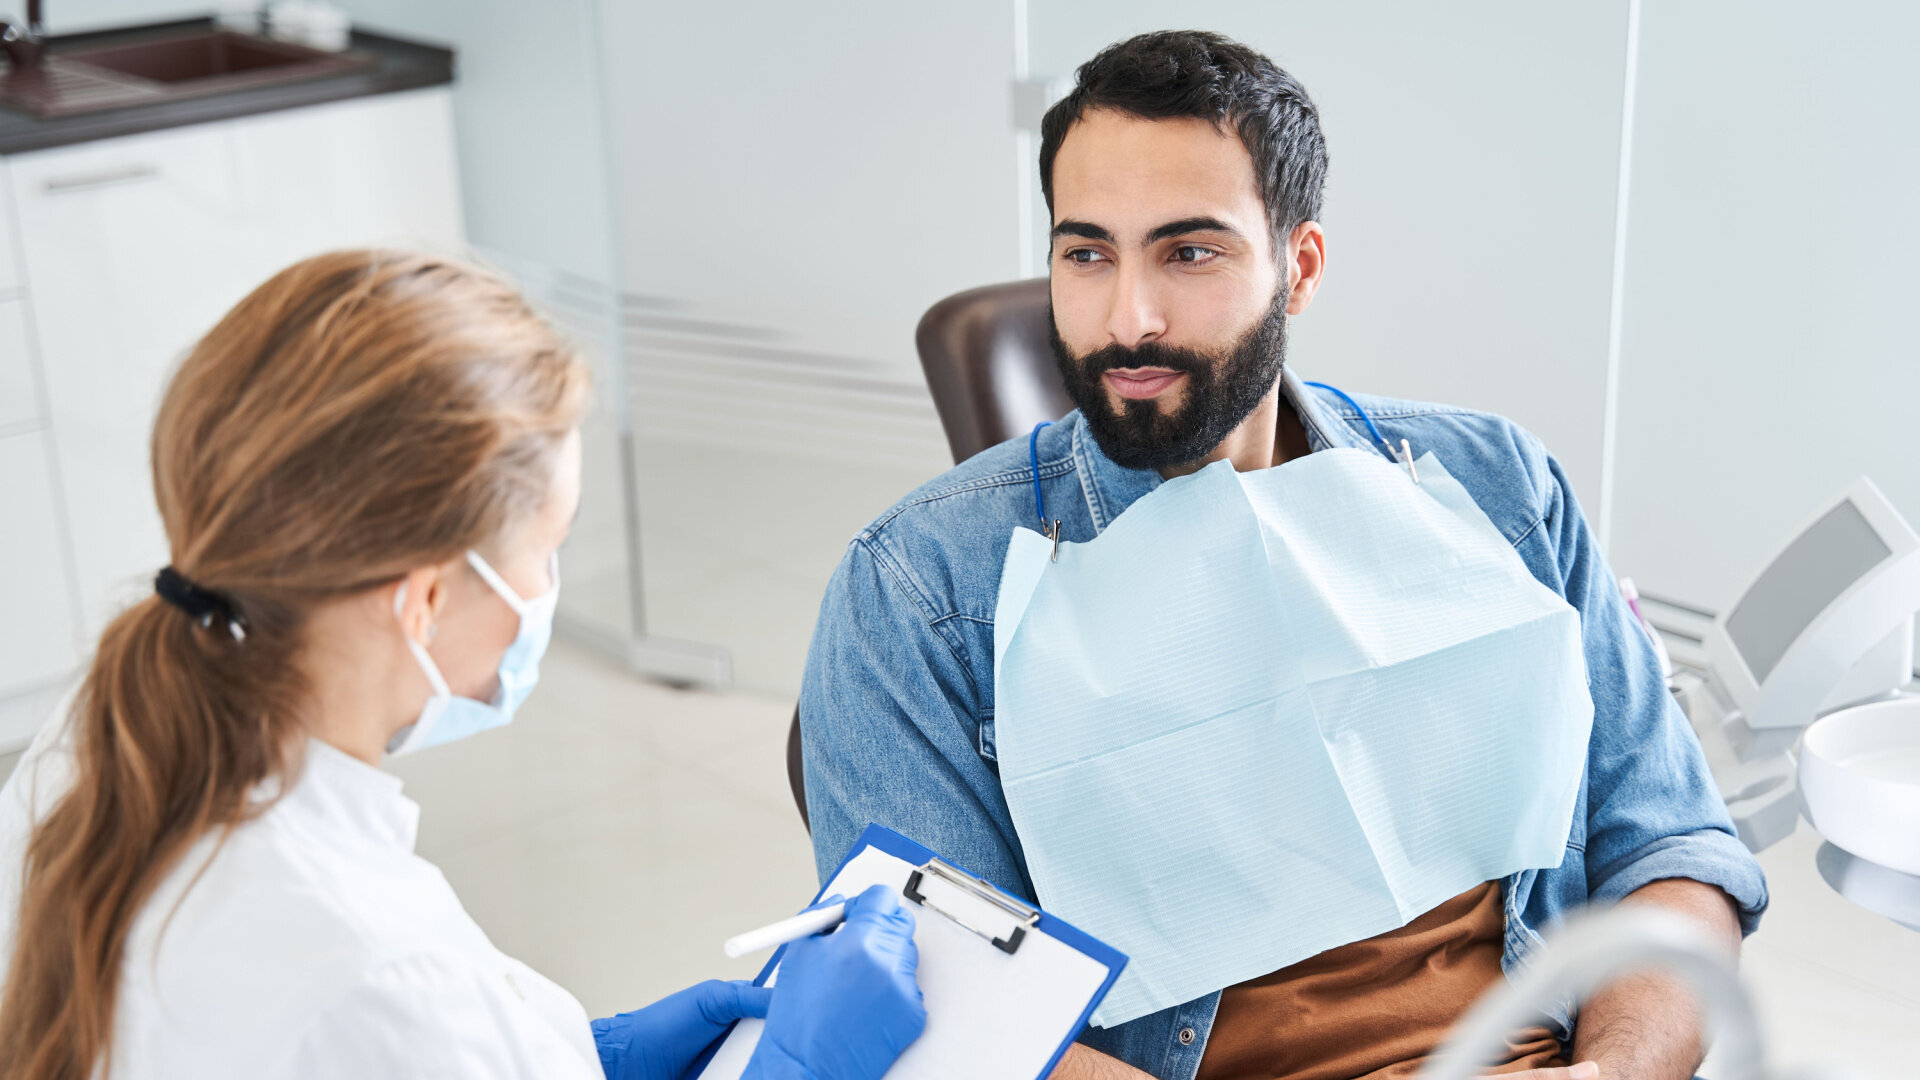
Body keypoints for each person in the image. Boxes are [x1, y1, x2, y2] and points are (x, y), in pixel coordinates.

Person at [798, 30, 1768, 1080]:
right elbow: (948, 1007)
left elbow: (1670, 850)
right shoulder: (918, 587)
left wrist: (1614, 1073)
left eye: (1190, 252)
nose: (1130, 317)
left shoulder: (1498, 490)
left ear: (1297, 269)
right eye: (1087, 253)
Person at [0, 251, 926, 1080]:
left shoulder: (97, 731)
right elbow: (377, 1022)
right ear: (427, 599)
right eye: (547, 546)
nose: (549, 586)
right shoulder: (374, 979)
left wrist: (570, 1052)